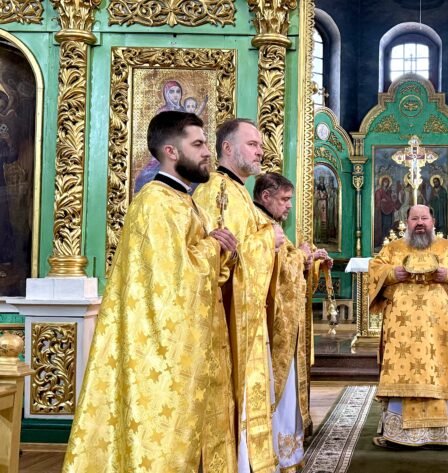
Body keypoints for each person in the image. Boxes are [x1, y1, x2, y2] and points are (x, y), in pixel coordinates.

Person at [63, 111, 239, 472]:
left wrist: (220, 250)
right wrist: (214, 246)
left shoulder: (183, 201)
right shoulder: (155, 203)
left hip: (191, 343)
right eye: (198, 144)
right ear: (171, 152)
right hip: (162, 349)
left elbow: (197, 268)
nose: (208, 152)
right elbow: (172, 280)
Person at [193, 118, 284, 473]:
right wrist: (268, 239)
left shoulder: (239, 191)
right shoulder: (216, 190)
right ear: (228, 148)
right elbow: (223, 258)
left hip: (246, 318)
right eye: (252, 144)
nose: (260, 151)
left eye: (260, 145)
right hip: (227, 318)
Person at [368, 204, 448, 447]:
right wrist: (392, 273)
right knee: (404, 370)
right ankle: (399, 434)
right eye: (414, 218)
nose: (419, 223)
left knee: (442, 368)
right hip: (402, 329)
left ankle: (445, 434)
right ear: (406, 222)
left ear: (433, 221)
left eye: (424, 218)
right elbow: (375, 269)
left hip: (441, 328)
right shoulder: (393, 249)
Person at [252, 172, 333, 472]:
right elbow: (272, 270)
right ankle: (277, 454)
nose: (288, 205)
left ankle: (288, 453)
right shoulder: (260, 224)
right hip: (272, 325)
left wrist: (310, 262)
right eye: (284, 199)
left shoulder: (274, 227)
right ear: (266, 197)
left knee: (287, 391)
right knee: (279, 392)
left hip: (286, 324)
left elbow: (291, 270)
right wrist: (301, 257)